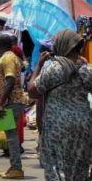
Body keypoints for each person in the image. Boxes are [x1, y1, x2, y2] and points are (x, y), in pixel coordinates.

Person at [28, 29, 92, 181]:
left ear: (62, 46)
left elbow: (32, 92)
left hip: (58, 125)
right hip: (83, 125)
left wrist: (39, 65)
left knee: (57, 166)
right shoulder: (87, 69)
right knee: (79, 166)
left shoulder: (54, 68)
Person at [0, 34, 26, 179]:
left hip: (11, 102)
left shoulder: (7, 58)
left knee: (12, 137)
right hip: (11, 101)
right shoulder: (11, 57)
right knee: (10, 136)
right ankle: (14, 166)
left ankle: (17, 168)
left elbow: (10, 81)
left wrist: (1, 104)